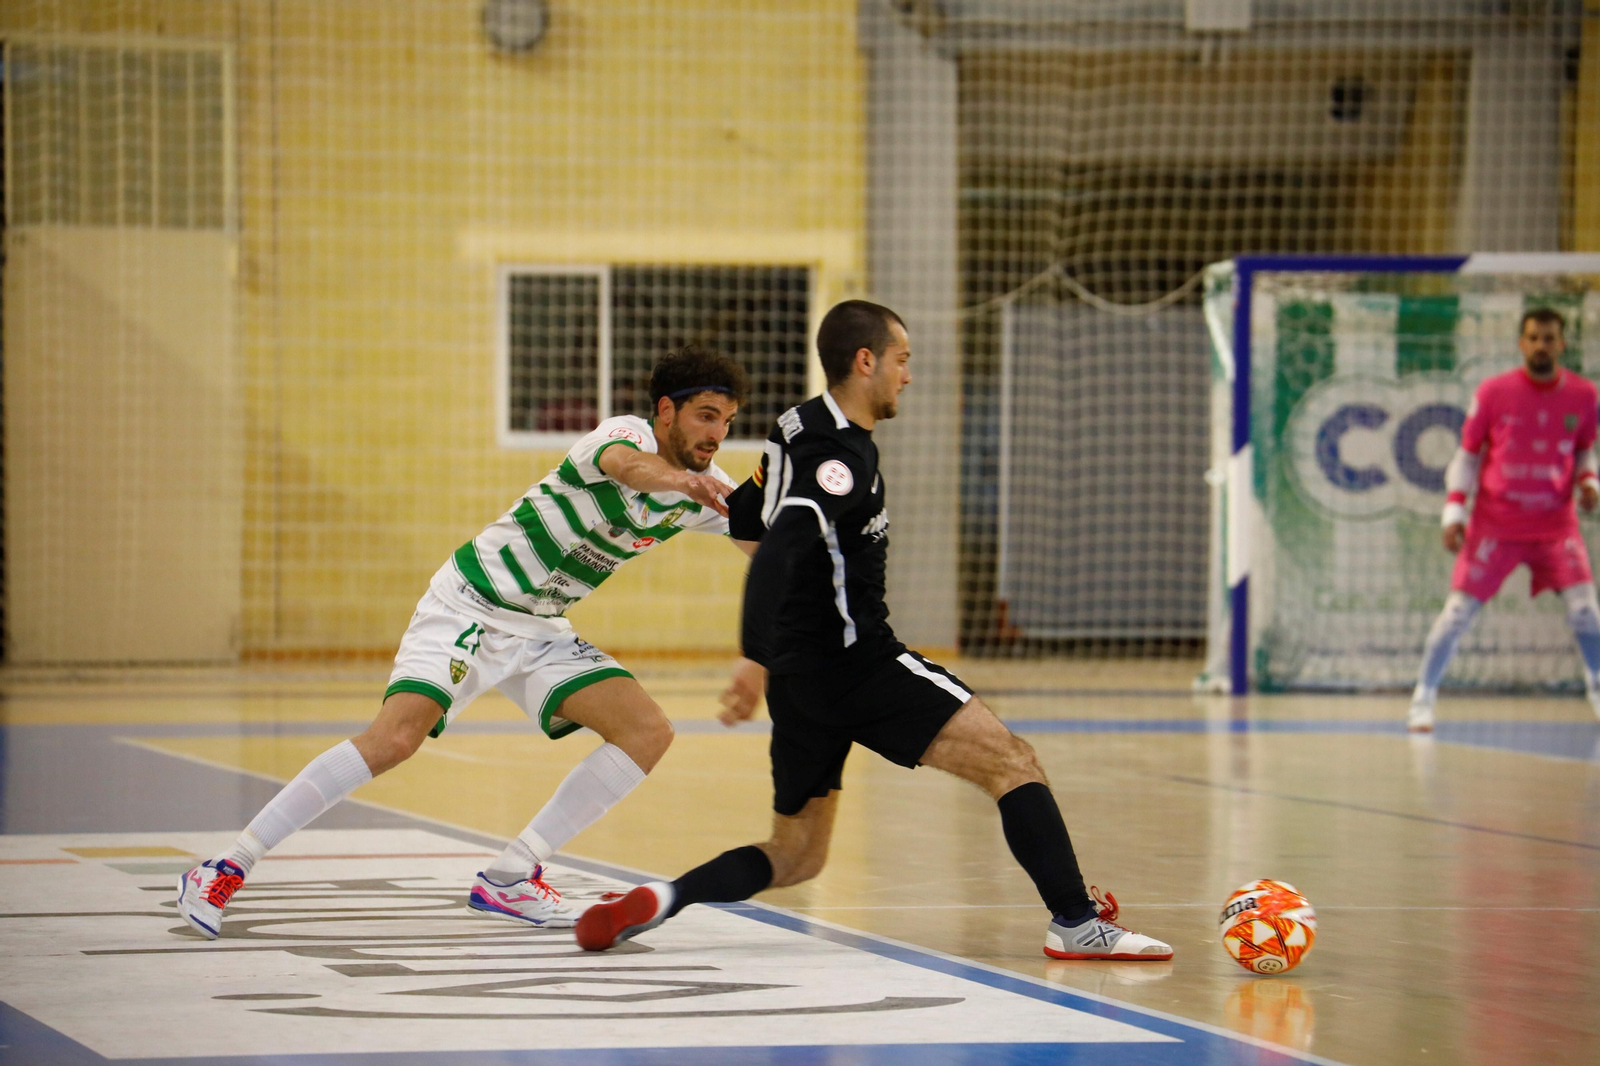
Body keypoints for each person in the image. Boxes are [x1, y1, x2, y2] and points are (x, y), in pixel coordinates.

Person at [574, 300, 1172, 961]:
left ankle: (663, 898)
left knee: (796, 855)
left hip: (800, 683)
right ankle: (1078, 924)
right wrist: (752, 655)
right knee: (1013, 761)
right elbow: (780, 546)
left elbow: (746, 519)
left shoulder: (795, 425)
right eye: (901, 360)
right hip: (861, 665)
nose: (907, 376)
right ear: (866, 362)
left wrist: (781, 634)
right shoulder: (840, 461)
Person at [177, 345, 754, 938]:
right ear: (666, 411)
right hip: (469, 604)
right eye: (706, 416)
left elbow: (768, 547)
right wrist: (685, 483)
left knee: (647, 732)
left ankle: (510, 877)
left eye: (728, 422)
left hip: (540, 627)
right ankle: (226, 865)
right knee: (395, 738)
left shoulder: (708, 490)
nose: (717, 434)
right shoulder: (624, 437)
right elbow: (629, 468)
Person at [1407, 308, 1600, 732]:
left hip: (1555, 525)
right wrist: (1454, 511)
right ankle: (1423, 697)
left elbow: (1585, 448)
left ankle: (1597, 685)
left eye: (1549, 338)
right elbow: (1467, 456)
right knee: (1456, 615)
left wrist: (1590, 482)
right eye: (1534, 338)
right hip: (1496, 524)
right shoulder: (1494, 392)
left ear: (1562, 344)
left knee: (1587, 612)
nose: (1541, 345)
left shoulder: (1584, 395)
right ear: (1521, 343)